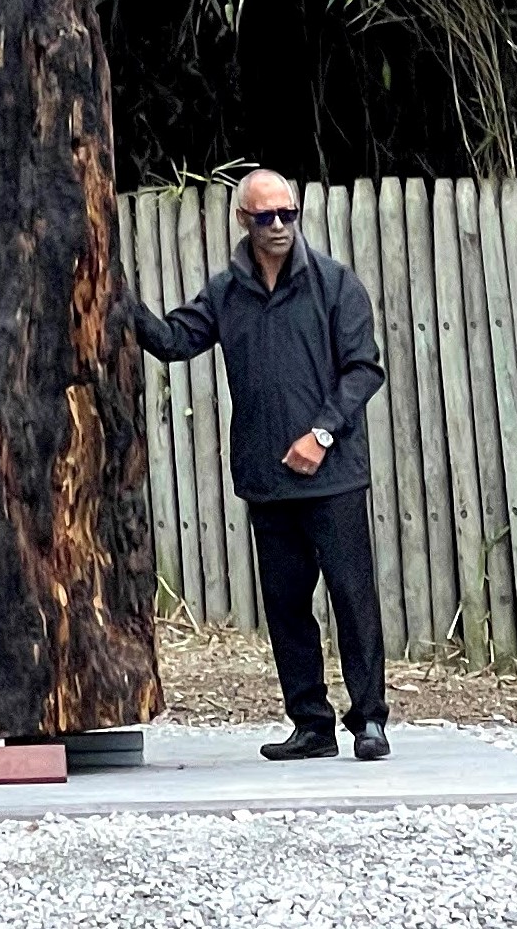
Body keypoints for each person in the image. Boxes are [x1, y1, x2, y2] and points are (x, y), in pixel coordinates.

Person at [130, 167, 391, 762]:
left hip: (334, 476)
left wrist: (321, 433)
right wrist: (122, 303)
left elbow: (364, 369)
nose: (278, 226)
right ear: (242, 220)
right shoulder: (228, 292)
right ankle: (312, 725)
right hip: (267, 478)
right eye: (265, 216)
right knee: (286, 605)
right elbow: (173, 341)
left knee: (353, 598)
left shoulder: (334, 283)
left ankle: (369, 721)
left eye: (287, 215)